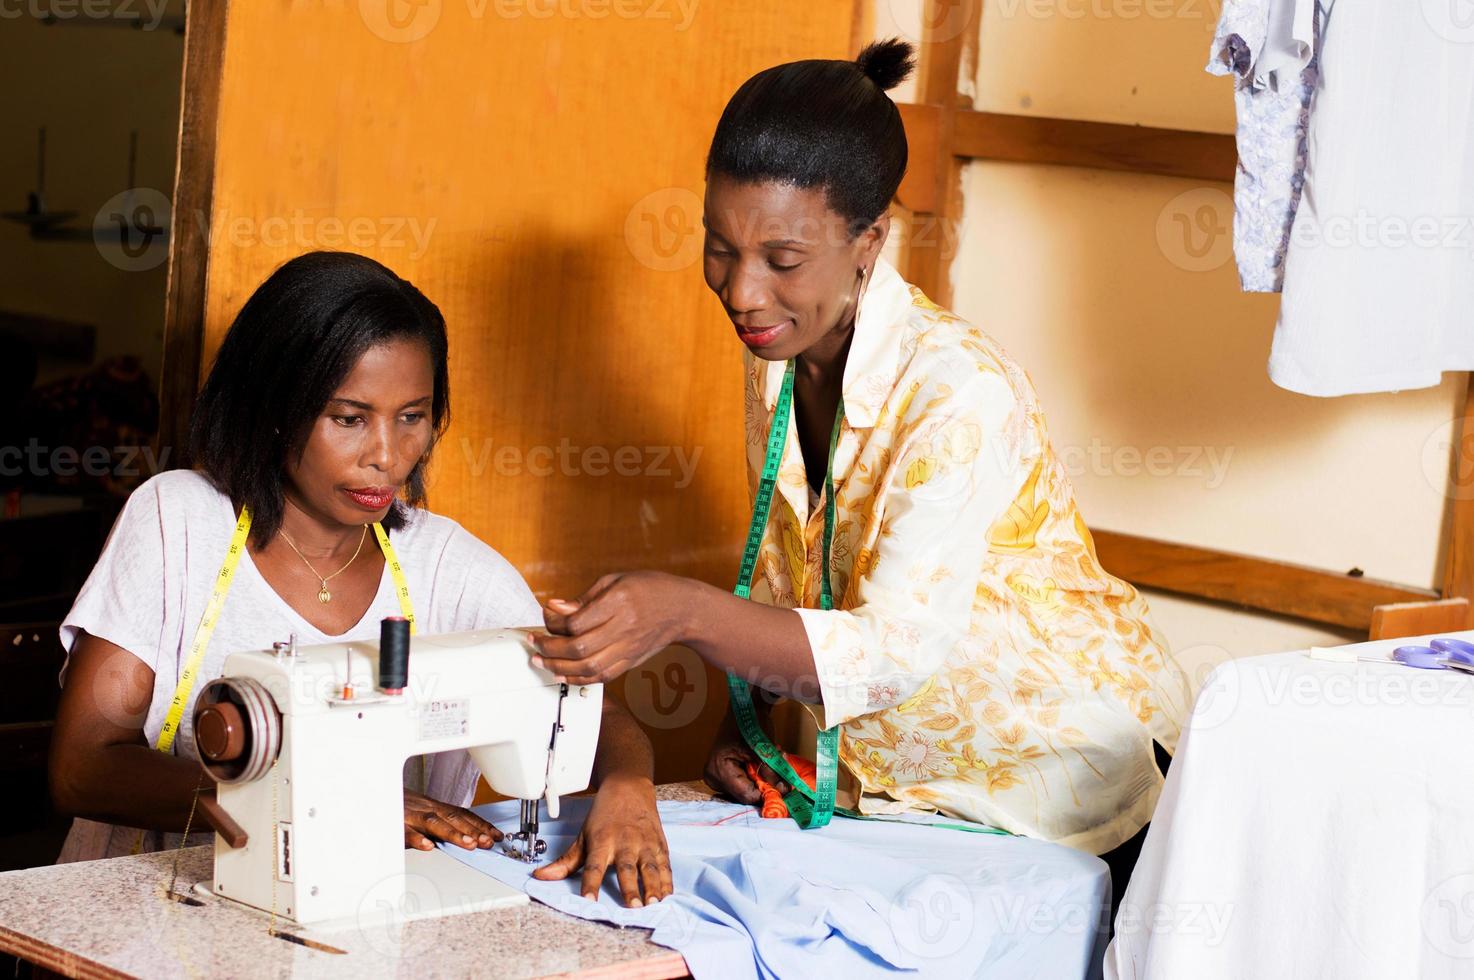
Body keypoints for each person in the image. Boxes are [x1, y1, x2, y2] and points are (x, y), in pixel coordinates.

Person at [529, 39, 1192, 908]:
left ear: (869, 238)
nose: (741, 292)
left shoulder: (960, 389)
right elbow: (790, 553)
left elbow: (895, 650)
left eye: (783, 259)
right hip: (911, 793)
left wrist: (684, 613)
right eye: (718, 247)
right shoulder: (780, 349)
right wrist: (747, 716)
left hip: (1059, 783)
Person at [49, 251, 671, 908]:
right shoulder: (178, 522)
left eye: (413, 416)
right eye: (349, 418)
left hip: (365, 916)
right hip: (145, 915)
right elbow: (83, 767)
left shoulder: (448, 570)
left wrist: (628, 789)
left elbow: (589, 715)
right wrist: (329, 800)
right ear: (277, 408)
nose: (387, 454)